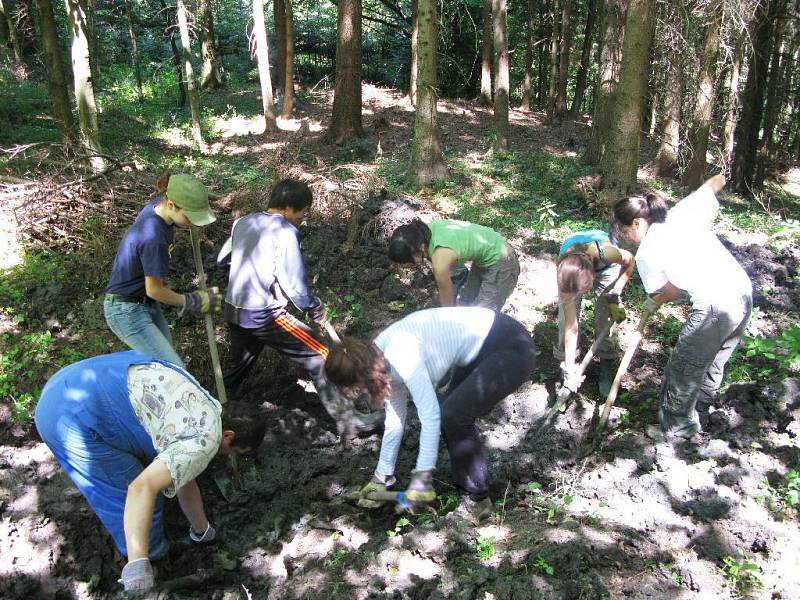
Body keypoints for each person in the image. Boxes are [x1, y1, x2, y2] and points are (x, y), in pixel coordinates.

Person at [34, 351, 267, 594]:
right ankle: (150, 563)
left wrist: (202, 530)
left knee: (147, 479)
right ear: (228, 435)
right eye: (235, 452)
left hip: (72, 380)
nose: (227, 456)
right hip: (68, 417)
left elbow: (185, 478)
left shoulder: (205, 404)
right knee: (131, 491)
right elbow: (139, 488)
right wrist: (138, 562)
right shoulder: (205, 441)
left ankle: (153, 553)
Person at [325, 307, 536, 523]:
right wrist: (381, 476)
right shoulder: (377, 362)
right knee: (453, 413)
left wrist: (422, 477)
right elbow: (395, 420)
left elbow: (430, 416)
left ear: (365, 375)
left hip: (510, 346)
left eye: (355, 385)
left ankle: (477, 500)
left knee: (452, 415)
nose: (357, 392)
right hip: (478, 350)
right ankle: (466, 481)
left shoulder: (400, 352)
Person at [218, 178, 381, 436]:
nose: (302, 218)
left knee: (238, 368)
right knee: (324, 355)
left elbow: (223, 261)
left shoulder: (243, 222)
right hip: (264, 314)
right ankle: (350, 423)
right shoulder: (284, 231)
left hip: (234, 309)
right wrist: (314, 308)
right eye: (303, 212)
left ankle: (214, 411)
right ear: (290, 208)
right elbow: (294, 284)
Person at [611, 174, 752, 441]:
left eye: (627, 233)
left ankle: (678, 433)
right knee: (711, 363)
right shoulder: (682, 212)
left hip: (715, 305)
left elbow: (671, 290)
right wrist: (726, 173)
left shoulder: (648, 252)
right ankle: (699, 412)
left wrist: (654, 301)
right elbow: (713, 184)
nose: (630, 240)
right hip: (743, 294)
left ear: (638, 223)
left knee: (684, 368)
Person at [104, 173, 221, 367]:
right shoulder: (153, 238)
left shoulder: (156, 207)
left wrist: (189, 215)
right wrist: (193, 301)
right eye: (189, 217)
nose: (192, 222)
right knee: (173, 370)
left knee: (166, 366)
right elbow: (155, 290)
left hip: (144, 302)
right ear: (172, 205)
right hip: (126, 311)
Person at [555, 230, 635, 395]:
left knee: (604, 317)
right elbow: (571, 326)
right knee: (565, 322)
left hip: (606, 268)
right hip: (575, 265)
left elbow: (630, 260)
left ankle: (606, 360)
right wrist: (570, 368)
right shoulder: (565, 270)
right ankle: (568, 367)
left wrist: (617, 290)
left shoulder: (607, 253)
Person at [388, 219, 520, 310]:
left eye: (409, 263)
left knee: (483, 314)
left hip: (503, 260)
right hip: (484, 257)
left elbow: (447, 305)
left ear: (421, 249)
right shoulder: (425, 232)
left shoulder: (440, 259)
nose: (409, 267)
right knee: (465, 304)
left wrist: (447, 325)